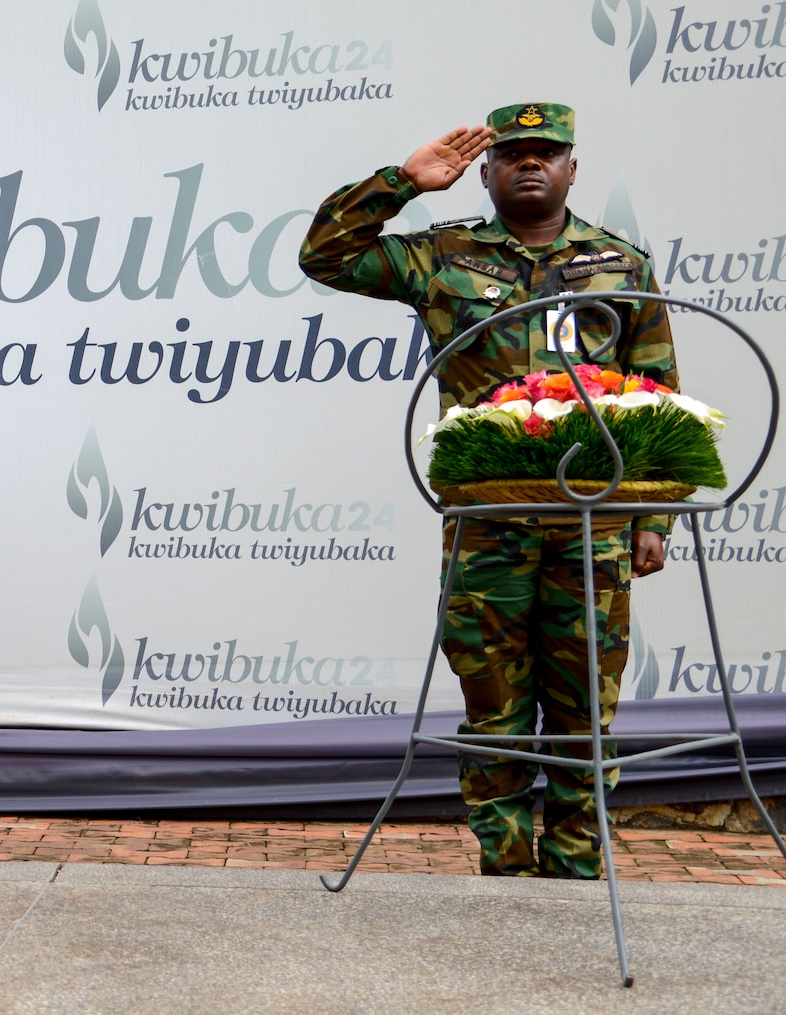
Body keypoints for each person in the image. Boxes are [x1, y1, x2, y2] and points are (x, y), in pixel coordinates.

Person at [300, 104, 680, 878]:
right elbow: (326, 257)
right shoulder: (445, 255)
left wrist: (654, 517)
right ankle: (504, 865)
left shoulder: (621, 263)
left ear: (573, 168)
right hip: (487, 520)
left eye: (547, 153)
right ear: (485, 171)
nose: (529, 164)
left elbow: (658, 390)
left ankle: (576, 868)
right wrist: (403, 182)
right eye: (512, 154)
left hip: (592, 521)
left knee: (585, 713)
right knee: (493, 703)